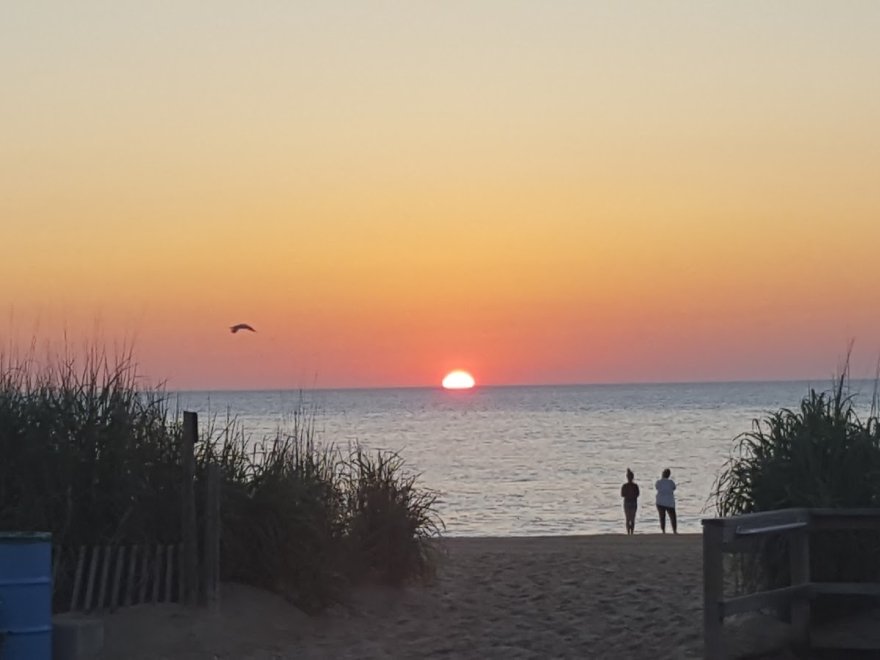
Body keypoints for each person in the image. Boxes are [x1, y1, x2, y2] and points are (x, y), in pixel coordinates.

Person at [655, 468, 677, 534]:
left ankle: (663, 530)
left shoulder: (659, 482)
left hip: (660, 502)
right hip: (669, 502)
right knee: (673, 517)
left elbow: (657, 487)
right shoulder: (671, 482)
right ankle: (674, 530)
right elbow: (674, 488)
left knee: (662, 517)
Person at [620, 468, 640, 535]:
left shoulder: (624, 486)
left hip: (627, 502)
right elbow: (637, 494)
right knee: (632, 518)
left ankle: (628, 532)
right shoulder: (635, 486)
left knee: (627, 518)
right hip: (634, 502)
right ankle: (632, 532)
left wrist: (628, 495)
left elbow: (622, 495)